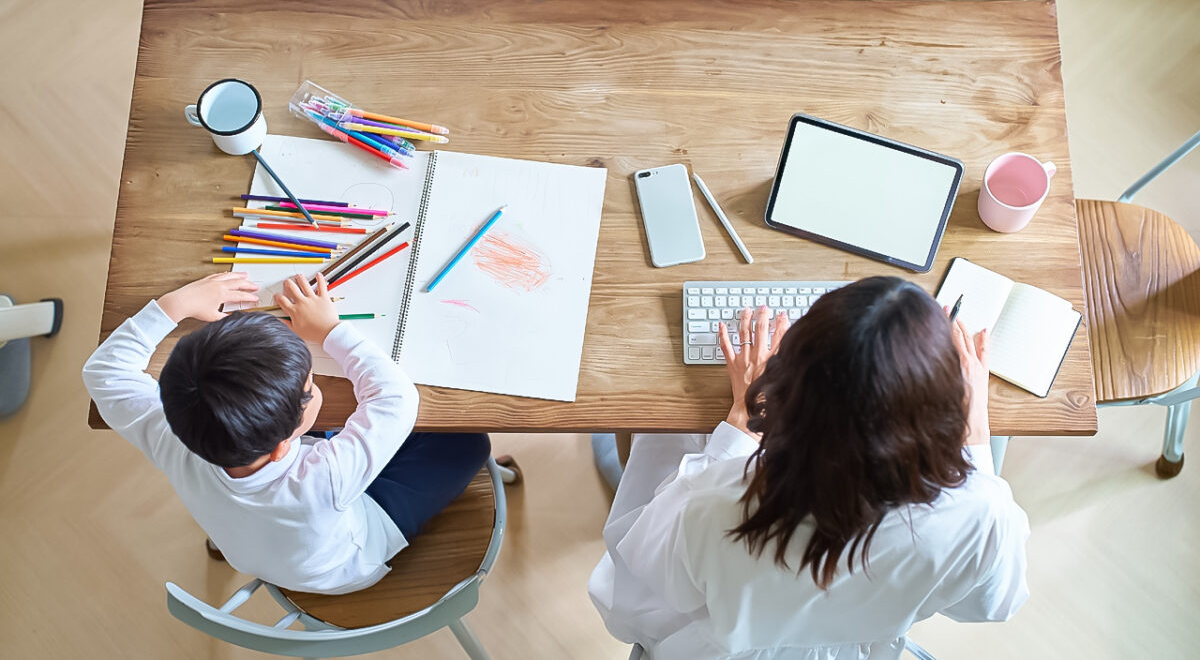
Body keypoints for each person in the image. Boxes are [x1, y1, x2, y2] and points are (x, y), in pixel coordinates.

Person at [588, 276, 1030, 659]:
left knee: (667, 436)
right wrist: (974, 431)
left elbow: (622, 608)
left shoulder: (717, 505)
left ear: (789, 397)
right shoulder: (982, 513)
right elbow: (993, 604)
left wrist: (740, 425)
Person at [83, 271, 492, 594]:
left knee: (345, 433)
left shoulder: (169, 436)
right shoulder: (322, 476)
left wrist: (173, 306)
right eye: (310, 390)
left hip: (253, 548)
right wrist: (332, 332)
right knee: (467, 443)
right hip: (348, 564)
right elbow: (397, 399)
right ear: (282, 447)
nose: (312, 389)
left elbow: (103, 373)